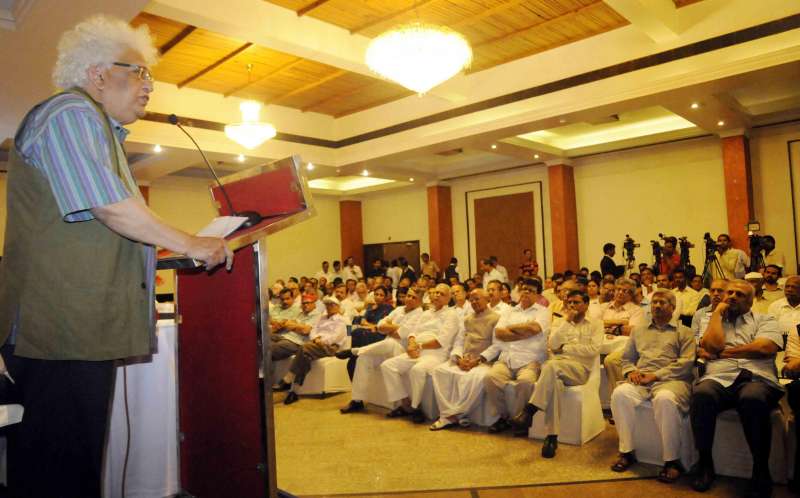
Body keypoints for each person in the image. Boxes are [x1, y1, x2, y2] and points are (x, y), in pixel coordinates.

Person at [0, 15, 232, 498]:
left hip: (74, 324)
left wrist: (168, 253)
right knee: (59, 467)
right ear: (97, 73)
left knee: (68, 460)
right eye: (139, 73)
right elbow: (109, 208)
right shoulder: (70, 113)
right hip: (58, 326)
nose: (150, 87)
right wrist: (191, 243)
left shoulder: (98, 129)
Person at [691, 280, 782, 496]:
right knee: (702, 394)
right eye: (729, 292)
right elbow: (711, 345)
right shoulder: (714, 320)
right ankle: (705, 464)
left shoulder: (764, 319)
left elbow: (764, 347)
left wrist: (725, 353)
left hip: (757, 377)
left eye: (739, 294)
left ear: (750, 301)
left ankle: (761, 471)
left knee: (752, 397)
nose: (732, 296)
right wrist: (717, 314)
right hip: (720, 377)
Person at [608, 291, 695, 483]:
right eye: (654, 302)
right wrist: (631, 372)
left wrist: (656, 375)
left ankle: (672, 461)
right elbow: (627, 359)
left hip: (673, 380)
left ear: (672, 308)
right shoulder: (639, 330)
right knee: (619, 394)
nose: (656, 306)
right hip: (641, 379)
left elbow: (686, 363)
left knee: (664, 400)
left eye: (662, 302)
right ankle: (627, 451)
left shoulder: (684, 332)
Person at [511, 290, 603, 457]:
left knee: (551, 366)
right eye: (569, 303)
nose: (572, 306)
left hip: (580, 370)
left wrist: (566, 348)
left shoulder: (596, 323)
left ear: (586, 304)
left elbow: (594, 350)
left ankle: (530, 409)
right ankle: (552, 437)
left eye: (576, 302)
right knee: (554, 382)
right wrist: (566, 321)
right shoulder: (560, 321)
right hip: (557, 367)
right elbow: (552, 345)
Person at [380, 284, 459, 423]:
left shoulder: (452, 315)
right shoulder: (426, 313)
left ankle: (416, 407)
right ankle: (405, 403)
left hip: (436, 354)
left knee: (417, 370)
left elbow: (442, 341)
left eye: (441, 294)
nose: (436, 296)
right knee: (387, 366)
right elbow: (413, 332)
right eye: (435, 293)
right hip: (416, 350)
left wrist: (419, 345)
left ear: (449, 298)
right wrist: (411, 344)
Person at [482, 278, 551, 434]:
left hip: (530, 360)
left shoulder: (543, 312)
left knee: (525, 382)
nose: (526, 292)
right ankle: (503, 417)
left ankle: (521, 420)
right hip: (507, 358)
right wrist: (524, 331)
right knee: (490, 378)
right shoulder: (509, 311)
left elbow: (534, 328)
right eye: (524, 289)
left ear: (538, 295)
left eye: (531, 290)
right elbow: (499, 333)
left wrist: (511, 328)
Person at [338, 288, 423, 414]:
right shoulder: (399, 310)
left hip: (402, 351)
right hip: (385, 347)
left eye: (413, 297)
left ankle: (355, 351)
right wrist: (391, 328)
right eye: (408, 296)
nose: (409, 299)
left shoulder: (419, 314)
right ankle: (356, 401)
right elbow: (380, 325)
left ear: (420, 301)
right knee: (363, 359)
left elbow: (402, 334)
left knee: (390, 343)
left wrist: (388, 327)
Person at [429, 289, 500, 430]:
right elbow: (459, 342)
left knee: (474, 377)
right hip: (465, 360)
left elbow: (497, 346)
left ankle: (451, 416)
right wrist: (458, 358)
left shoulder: (496, 318)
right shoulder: (467, 318)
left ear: (487, 299)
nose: (474, 302)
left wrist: (478, 360)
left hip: (484, 361)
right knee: (439, 371)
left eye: (477, 299)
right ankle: (453, 414)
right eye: (471, 299)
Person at [279, 295, 348, 405]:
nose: (329, 307)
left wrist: (322, 340)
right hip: (315, 344)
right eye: (327, 305)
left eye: (332, 305)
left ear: (338, 307)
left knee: (304, 348)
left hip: (330, 347)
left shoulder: (341, 320)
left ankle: (289, 378)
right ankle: (294, 392)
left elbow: (336, 337)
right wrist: (316, 339)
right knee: (305, 356)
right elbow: (313, 331)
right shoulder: (322, 317)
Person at [772, 277, 800, 487]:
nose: (790, 290)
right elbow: (791, 362)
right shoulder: (796, 330)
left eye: (795, 287)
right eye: (787, 287)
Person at [346, 286, 393, 379]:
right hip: (366, 330)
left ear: (385, 297)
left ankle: (355, 354)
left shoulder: (388, 308)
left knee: (358, 331)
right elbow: (361, 320)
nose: (378, 297)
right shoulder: (370, 307)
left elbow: (378, 326)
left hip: (379, 334)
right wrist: (366, 310)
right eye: (376, 294)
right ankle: (353, 355)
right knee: (350, 329)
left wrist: (366, 324)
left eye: (381, 295)